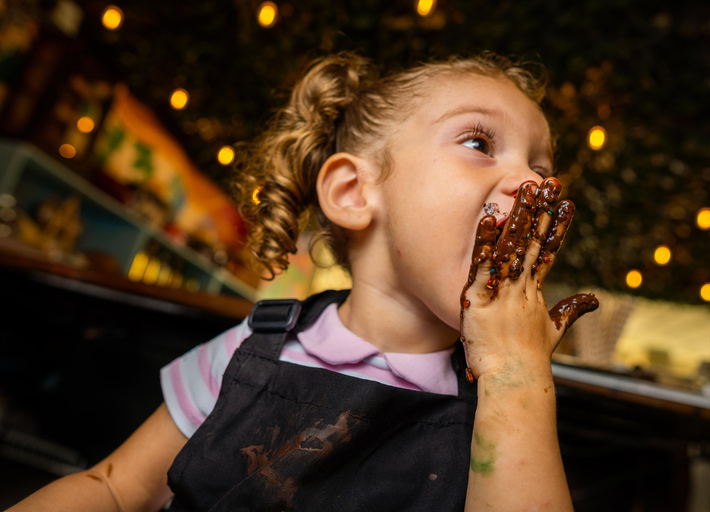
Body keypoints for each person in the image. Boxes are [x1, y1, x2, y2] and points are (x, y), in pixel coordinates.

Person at [9, 51, 598, 512]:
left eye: (543, 168)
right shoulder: (251, 352)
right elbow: (114, 491)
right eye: (479, 143)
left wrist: (516, 379)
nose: (533, 183)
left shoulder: (505, 409)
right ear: (353, 192)